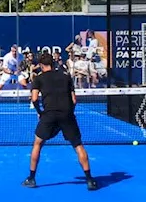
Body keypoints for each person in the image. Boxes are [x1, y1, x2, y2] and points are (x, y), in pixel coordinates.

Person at [23, 52, 97, 191]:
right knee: (78, 145)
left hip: (49, 115)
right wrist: (69, 113)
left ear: (40, 65)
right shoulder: (65, 76)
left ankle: (31, 178)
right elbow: (74, 100)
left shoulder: (38, 79)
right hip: (67, 114)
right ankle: (89, 180)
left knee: (37, 144)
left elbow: (34, 99)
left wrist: (40, 113)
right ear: (53, 63)